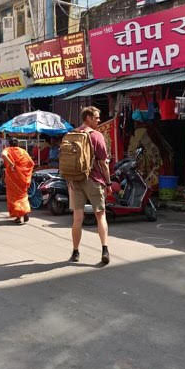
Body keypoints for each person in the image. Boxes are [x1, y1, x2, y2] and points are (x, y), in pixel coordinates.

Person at [69, 107, 112, 265]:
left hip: (75, 180)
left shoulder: (72, 134)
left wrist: (70, 180)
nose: (99, 120)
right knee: (100, 215)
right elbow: (103, 163)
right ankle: (105, 249)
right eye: (96, 117)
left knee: (77, 218)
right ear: (87, 117)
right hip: (94, 180)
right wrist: (108, 183)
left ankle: (75, 252)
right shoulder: (97, 136)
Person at [2, 138, 34, 224]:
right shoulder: (23, 151)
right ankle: (25, 212)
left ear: (9, 144)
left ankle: (19, 217)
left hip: (12, 178)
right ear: (18, 144)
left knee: (14, 197)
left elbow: (3, 155)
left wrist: (11, 164)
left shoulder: (8, 149)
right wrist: (25, 171)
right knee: (23, 195)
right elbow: (31, 163)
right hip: (22, 178)